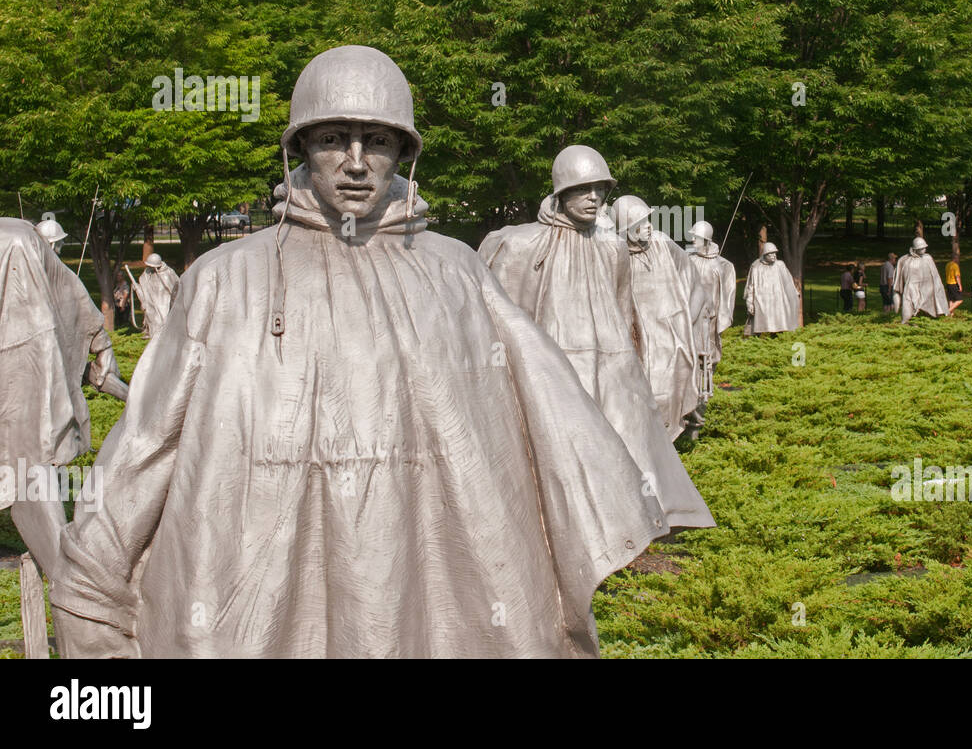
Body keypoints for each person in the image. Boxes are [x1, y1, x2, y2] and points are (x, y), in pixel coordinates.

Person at [52, 46, 671, 659]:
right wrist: (93, 583)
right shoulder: (223, 278)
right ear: (298, 148)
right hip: (259, 587)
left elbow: (540, 425)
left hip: (427, 580)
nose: (355, 163)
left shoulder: (457, 273)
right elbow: (147, 444)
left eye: (376, 141)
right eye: (333, 138)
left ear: (403, 152)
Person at [479, 144, 713, 533]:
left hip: (611, 366)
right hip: (554, 369)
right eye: (583, 189)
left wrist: (632, 367)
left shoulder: (611, 248)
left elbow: (625, 312)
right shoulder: (519, 244)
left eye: (600, 190)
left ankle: (632, 525)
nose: (593, 198)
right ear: (561, 192)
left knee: (629, 446)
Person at [0, 218, 124, 580]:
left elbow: (61, 283)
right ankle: (69, 587)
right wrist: (98, 339)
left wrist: (98, 340)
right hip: (25, 351)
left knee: (28, 461)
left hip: (26, 354)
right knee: (27, 462)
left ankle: (68, 587)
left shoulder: (18, 239)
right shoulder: (17, 238)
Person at [611, 195, 705, 441]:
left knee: (675, 384)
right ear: (629, 231)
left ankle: (680, 435)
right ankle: (655, 444)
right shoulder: (614, 254)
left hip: (671, 335)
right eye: (642, 223)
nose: (650, 226)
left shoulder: (663, 243)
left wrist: (687, 320)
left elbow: (693, 280)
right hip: (638, 338)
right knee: (645, 390)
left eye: (648, 220)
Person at [683, 220, 735, 440]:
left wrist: (721, 321)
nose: (692, 240)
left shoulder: (722, 265)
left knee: (707, 367)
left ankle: (699, 411)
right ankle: (686, 411)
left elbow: (728, 296)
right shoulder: (686, 260)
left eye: (695, 237)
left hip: (709, 324)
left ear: (705, 239)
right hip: (688, 322)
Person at [744, 242, 800, 336]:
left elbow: (788, 282)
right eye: (771, 253)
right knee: (757, 328)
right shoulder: (756, 267)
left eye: (775, 253)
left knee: (778, 327)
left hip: (777, 303)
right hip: (761, 302)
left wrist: (794, 293)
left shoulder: (780, 265)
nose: (774, 255)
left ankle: (776, 345)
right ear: (765, 254)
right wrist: (750, 303)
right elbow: (751, 287)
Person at [892, 237, 948, 324]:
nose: (924, 249)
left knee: (924, 312)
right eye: (922, 248)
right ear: (915, 249)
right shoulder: (905, 260)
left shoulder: (928, 258)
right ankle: (906, 323)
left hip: (927, 291)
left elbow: (935, 277)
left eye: (925, 247)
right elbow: (898, 281)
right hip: (911, 289)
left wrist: (938, 291)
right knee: (909, 307)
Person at [132, 252, 181, 339]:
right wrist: (137, 288)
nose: (149, 268)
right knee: (154, 326)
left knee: (165, 327)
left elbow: (177, 288)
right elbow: (144, 285)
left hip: (166, 305)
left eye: (152, 267)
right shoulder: (147, 273)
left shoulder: (168, 273)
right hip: (152, 305)